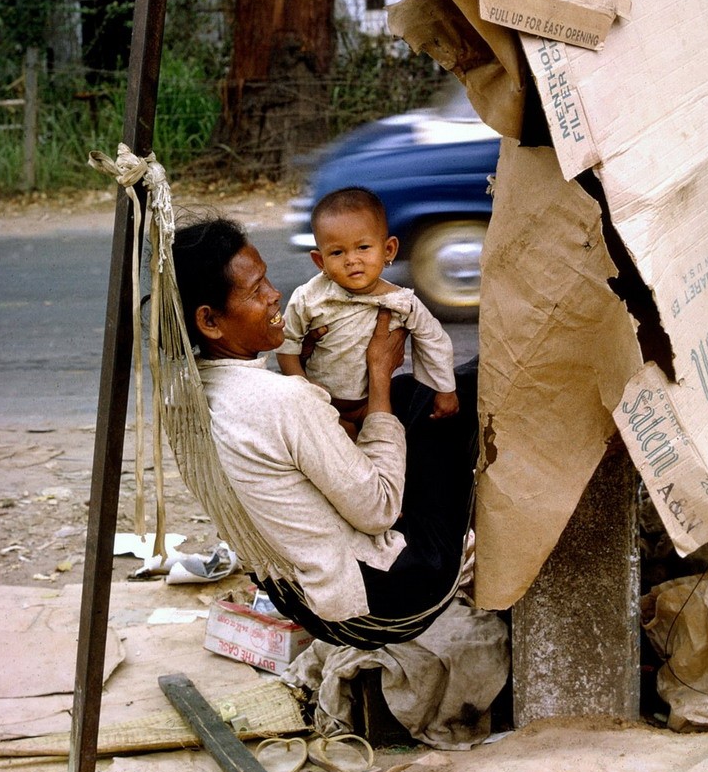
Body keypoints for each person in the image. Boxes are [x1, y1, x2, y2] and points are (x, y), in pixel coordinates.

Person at [171, 215, 478, 649]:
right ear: (210, 321)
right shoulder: (283, 400)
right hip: (382, 602)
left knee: (414, 396)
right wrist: (378, 374)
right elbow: (378, 512)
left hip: (294, 596)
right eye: (257, 290)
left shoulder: (186, 397)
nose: (275, 294)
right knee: (461, 402)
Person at [276, 187, 459, 436]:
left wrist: (445, 389)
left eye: (363, 247)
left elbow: (433, 339)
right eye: (337, 252)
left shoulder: (401, 302)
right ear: (321, 262)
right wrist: (305, 388)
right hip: (322, 404)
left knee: (389, 441)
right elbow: (286, 344)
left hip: (371, 403)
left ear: (388, 250)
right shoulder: (310, 297)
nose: (352, 260)